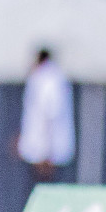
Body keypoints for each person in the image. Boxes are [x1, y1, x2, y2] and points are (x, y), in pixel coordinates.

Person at [17, 49, 75, 182]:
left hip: (46, 153)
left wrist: (45, 152)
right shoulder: (49, 78)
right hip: (46, 152)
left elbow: (49, 115)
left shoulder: (47, 80)